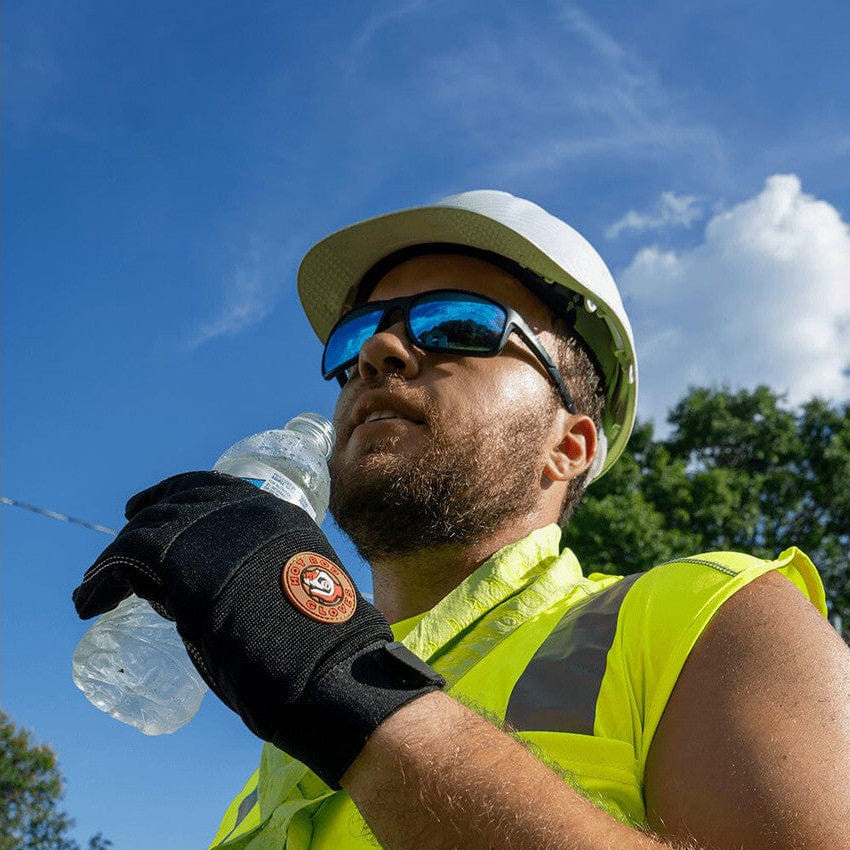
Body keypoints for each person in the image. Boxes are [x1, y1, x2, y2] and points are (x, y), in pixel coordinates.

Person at [74, 191, 850, 850]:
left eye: (455, 325)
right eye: (356, 339)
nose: (379, 350)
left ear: (569, 444)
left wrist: (342, 683)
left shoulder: (711, 615)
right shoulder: (265, 788)